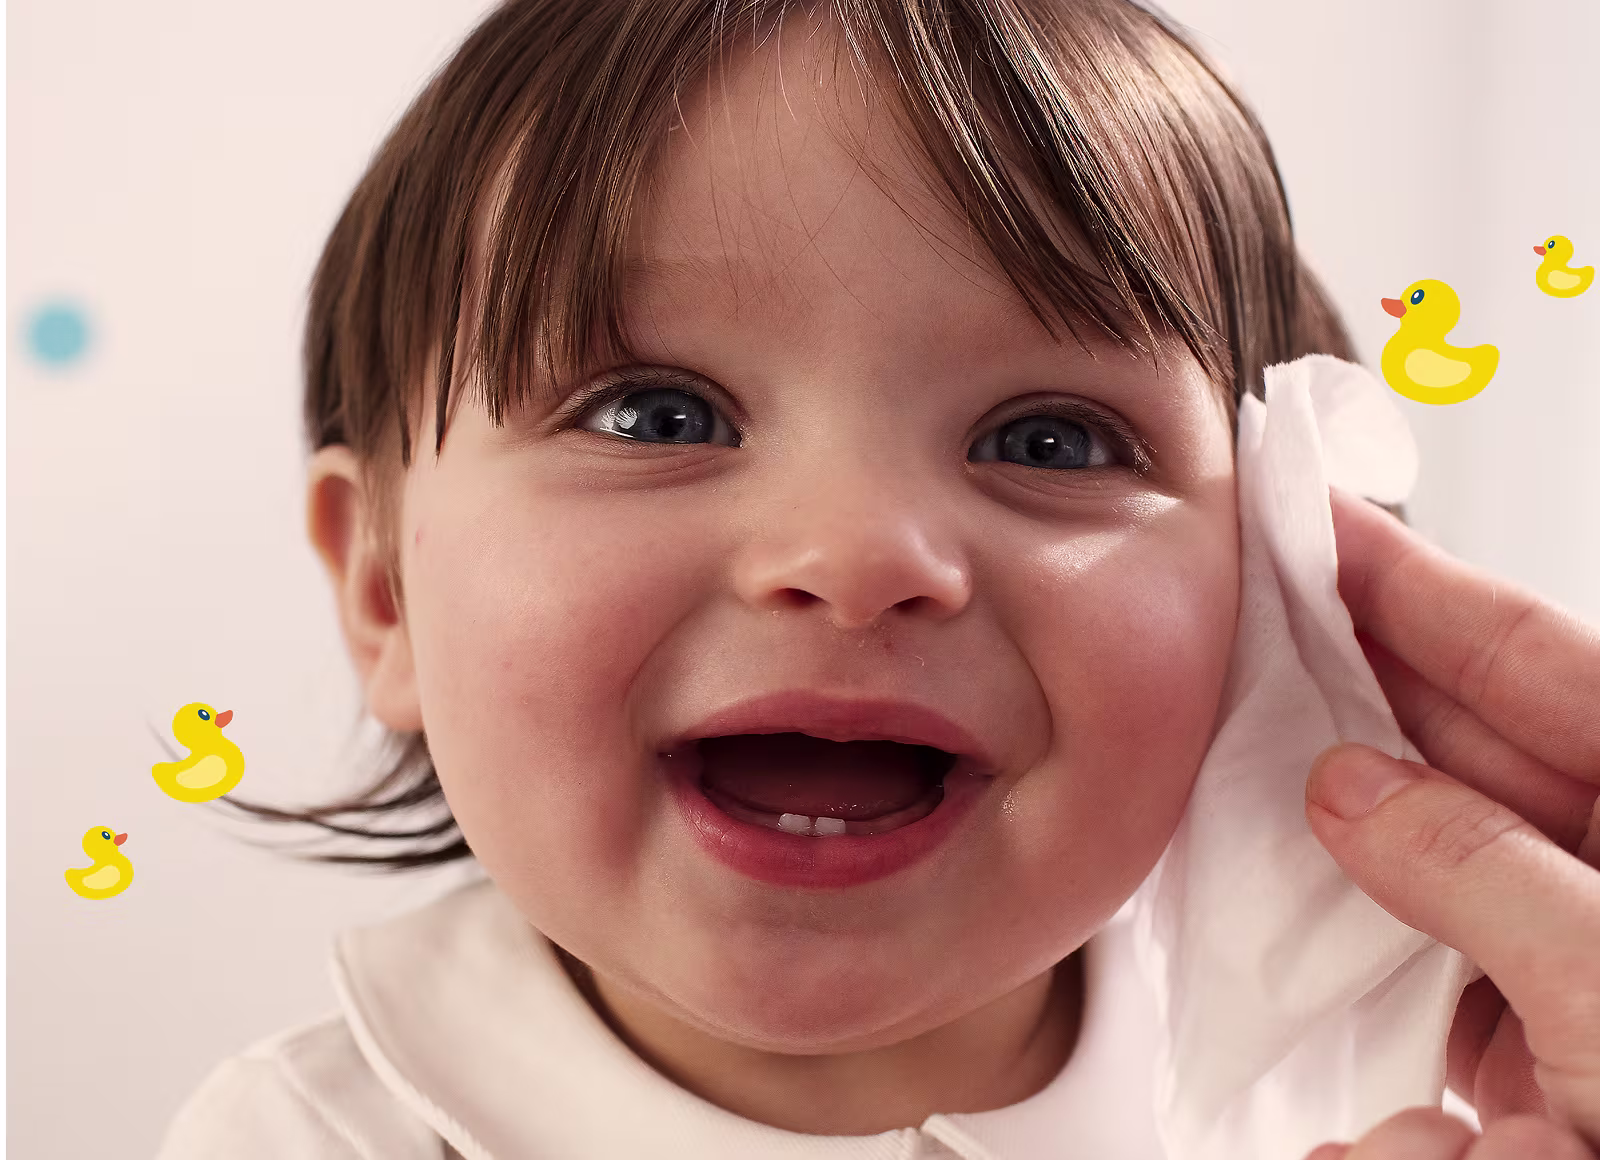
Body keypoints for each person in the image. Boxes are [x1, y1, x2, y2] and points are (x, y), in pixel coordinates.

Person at [156, 0, 1600, 1156]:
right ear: (388, 593)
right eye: (658, 415)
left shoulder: (1436, 1093)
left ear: (1280, 596)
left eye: (1050, 438)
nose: (857, 558)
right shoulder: (300, 1137)